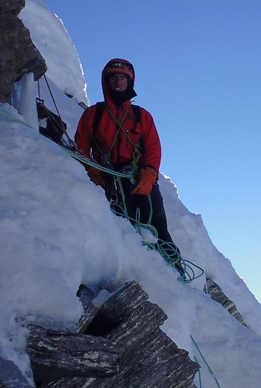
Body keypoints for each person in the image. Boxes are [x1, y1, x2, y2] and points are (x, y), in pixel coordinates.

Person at [75, 58, 181, 268]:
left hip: (138, 175)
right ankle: (135, 266)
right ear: (106, 82)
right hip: (107, 177)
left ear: (130, 83)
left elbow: (153, 147)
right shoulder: (93, 115)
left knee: (156, 222)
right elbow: (81, 146)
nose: (118, 82)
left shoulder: (142, 116)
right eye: (113, 78)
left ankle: (172, 264)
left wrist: (150, 174)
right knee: (121, 225)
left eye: (123, 78)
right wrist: (90, 170)